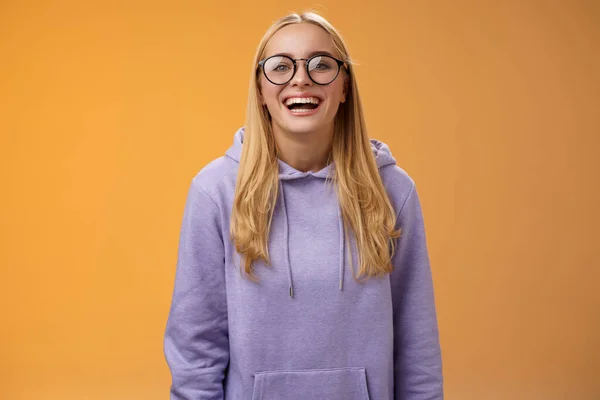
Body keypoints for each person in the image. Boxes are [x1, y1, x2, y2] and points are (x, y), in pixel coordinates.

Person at [163, 11, 443, 400]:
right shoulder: (215, 191)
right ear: (260, 89)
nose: (301, 78)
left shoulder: (392, 191)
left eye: (321, 64)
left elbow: (417, 345)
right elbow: (196, 347)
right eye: (280, 66)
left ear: (344, 86)